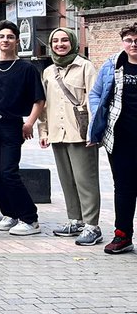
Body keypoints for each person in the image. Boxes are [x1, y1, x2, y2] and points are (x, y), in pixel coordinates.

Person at [0, 20, 45, 236]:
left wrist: (29, 123)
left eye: (10, 37)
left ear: (17, 41)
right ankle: (10, 213)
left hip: (12, 126)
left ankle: (29, 218)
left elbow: (39, 100)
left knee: (9, 172)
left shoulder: (26, 68)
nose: (5, 40)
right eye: (2, 37)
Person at [38, 27, 101, 245]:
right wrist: (44, 131)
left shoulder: (85, 67)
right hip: (58, 132)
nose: (60, 44)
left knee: (86, 180)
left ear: (72, 42)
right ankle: (75, 220)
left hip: (80, 133)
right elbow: (44, 106)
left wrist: (93, 132)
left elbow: (94, 100)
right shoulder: (48, 71)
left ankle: (93, 225)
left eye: (65, 40)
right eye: (55, 41)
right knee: (67, 179)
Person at [88, 24, 137, 255]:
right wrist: (100, 118)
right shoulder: (112, 64)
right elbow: (96, 93)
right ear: (123, 41)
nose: (133, 44)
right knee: (124, 188)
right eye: (129, 39)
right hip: (120, 137)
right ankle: (122, 235)